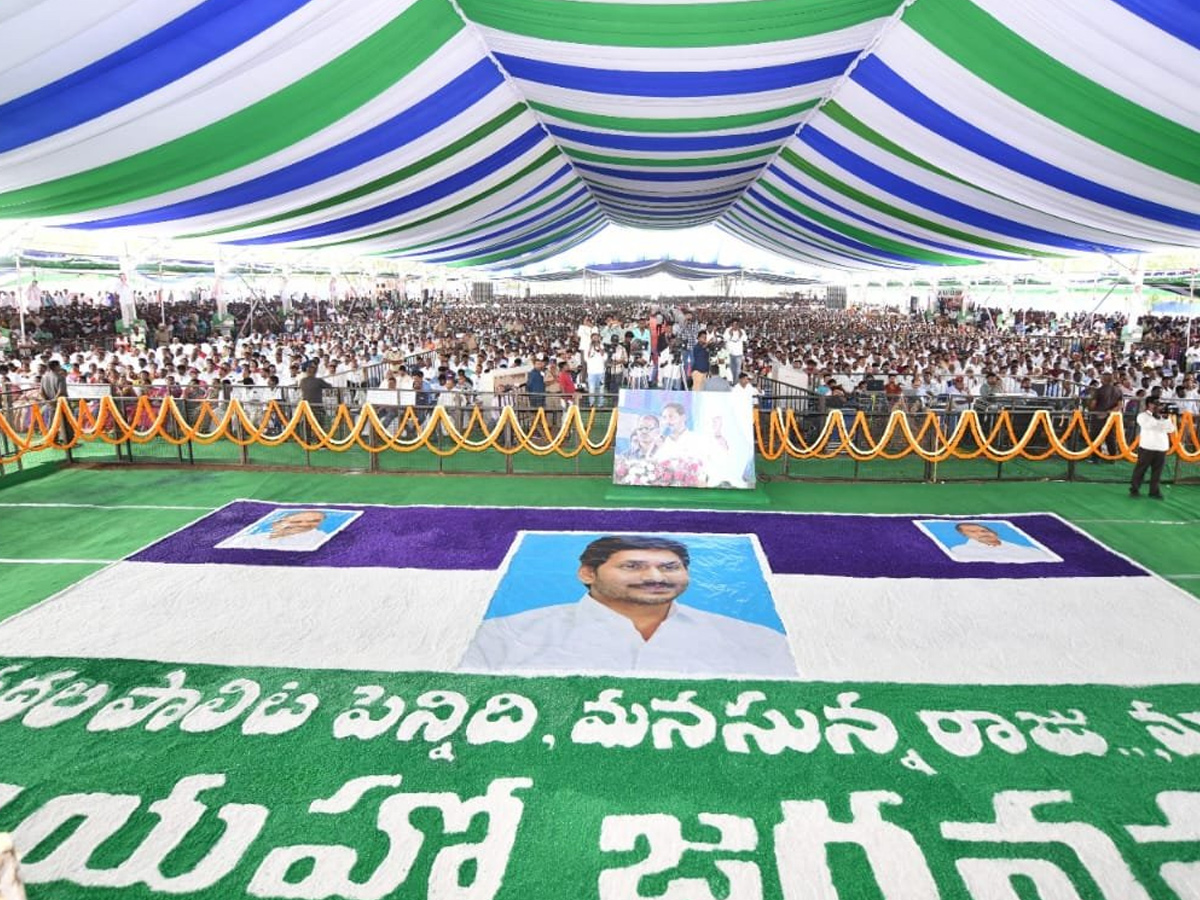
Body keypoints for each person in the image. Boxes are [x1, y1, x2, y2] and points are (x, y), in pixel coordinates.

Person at [459, 535, 797, 676]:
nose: (655, 577)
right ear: (587, 573)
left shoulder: (757, 642)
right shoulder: (508, 635)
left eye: (670, 567)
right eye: (632, 566)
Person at [216, 509, 334, 551]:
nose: (305, 525)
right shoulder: (250, 539)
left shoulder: (321, 538)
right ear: (279, 522)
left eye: (314, 521)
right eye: (296, 522)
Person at [1129, 396, 1176, 500]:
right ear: (1148, 404)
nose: (1157, 405)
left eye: (1158, 403)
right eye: (1154, 403)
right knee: (1141, 470)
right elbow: (1148, 426)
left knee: (1157, 472)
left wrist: (1165, 418)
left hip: (1161, 447)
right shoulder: (1142, 416)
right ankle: (1134, 489)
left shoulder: (1164, 416)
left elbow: (1171, 429)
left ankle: (1154, 491)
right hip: (1147, 447)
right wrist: (1157, 417)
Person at [943, 522, 1056, 563]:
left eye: (983, 530)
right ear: (965, 535)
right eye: (973, 532)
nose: (982, 533)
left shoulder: (1030, 550)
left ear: (993, 532)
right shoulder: (960, 550)